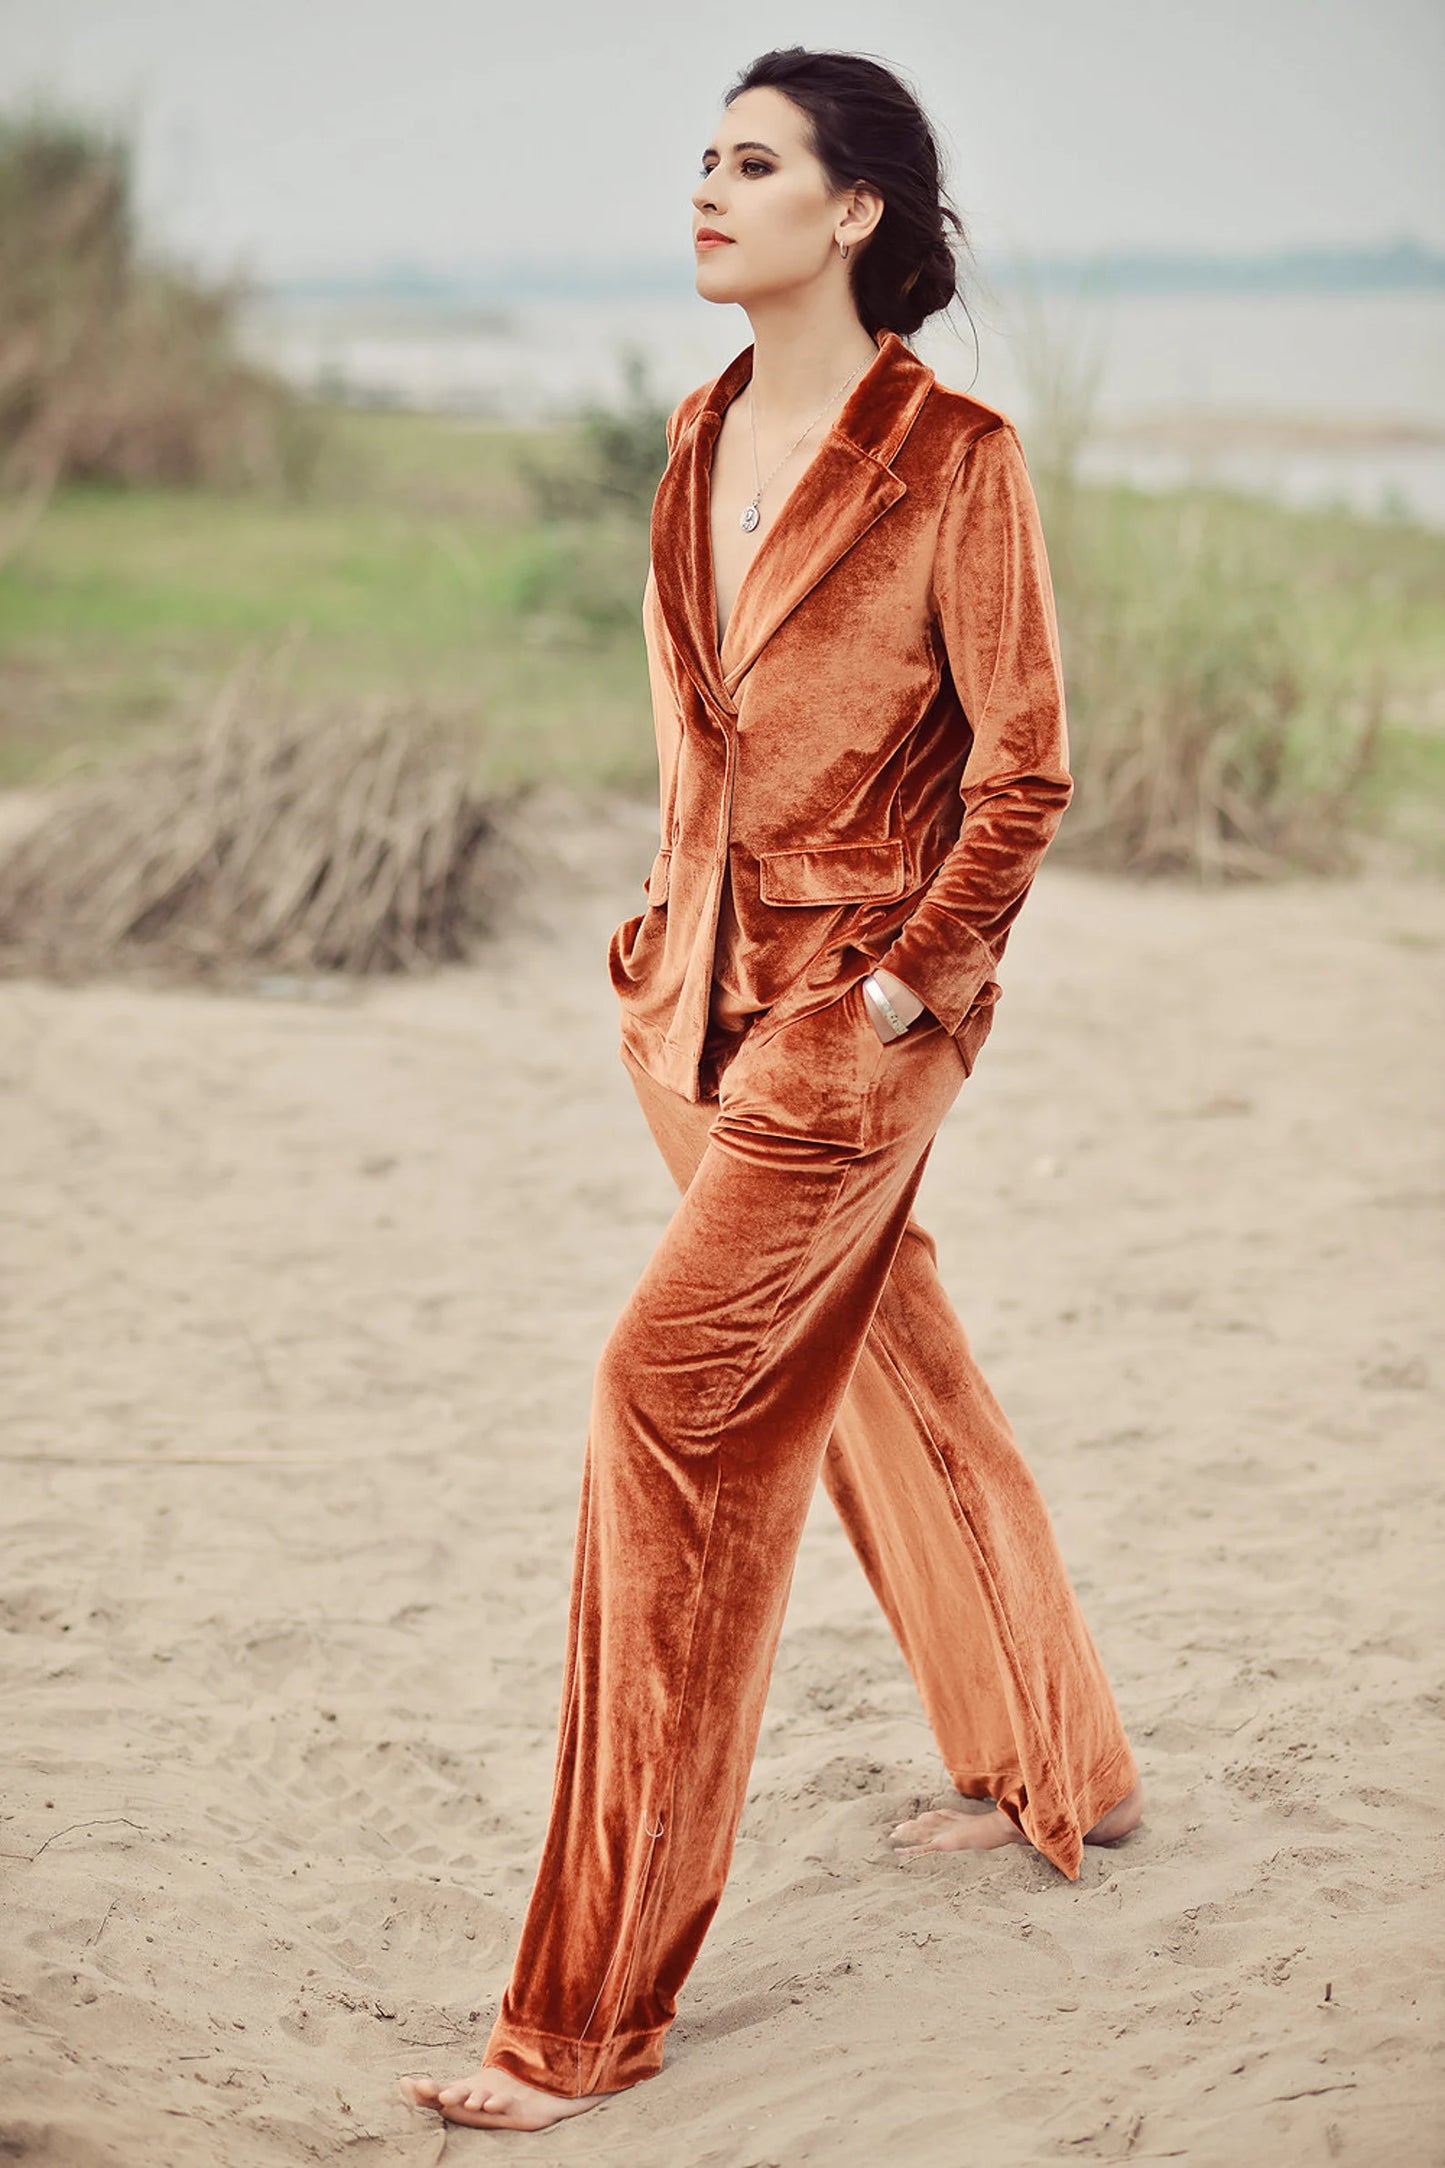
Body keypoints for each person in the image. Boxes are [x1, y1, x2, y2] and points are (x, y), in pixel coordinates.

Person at [399, 44, 1142, 2136]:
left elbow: (1025, 771)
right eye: (703, 160)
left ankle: (579, 2019)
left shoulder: (956, 458)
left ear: (857, 210)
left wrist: (906, 986)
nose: (707, 191)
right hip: (696, 1002)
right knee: (894, 1365)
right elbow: (701, 729)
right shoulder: (696, 429)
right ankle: (1062, 1763)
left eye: (753, 162)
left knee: (668, 1408)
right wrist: (662, 932)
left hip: (851, 1027)